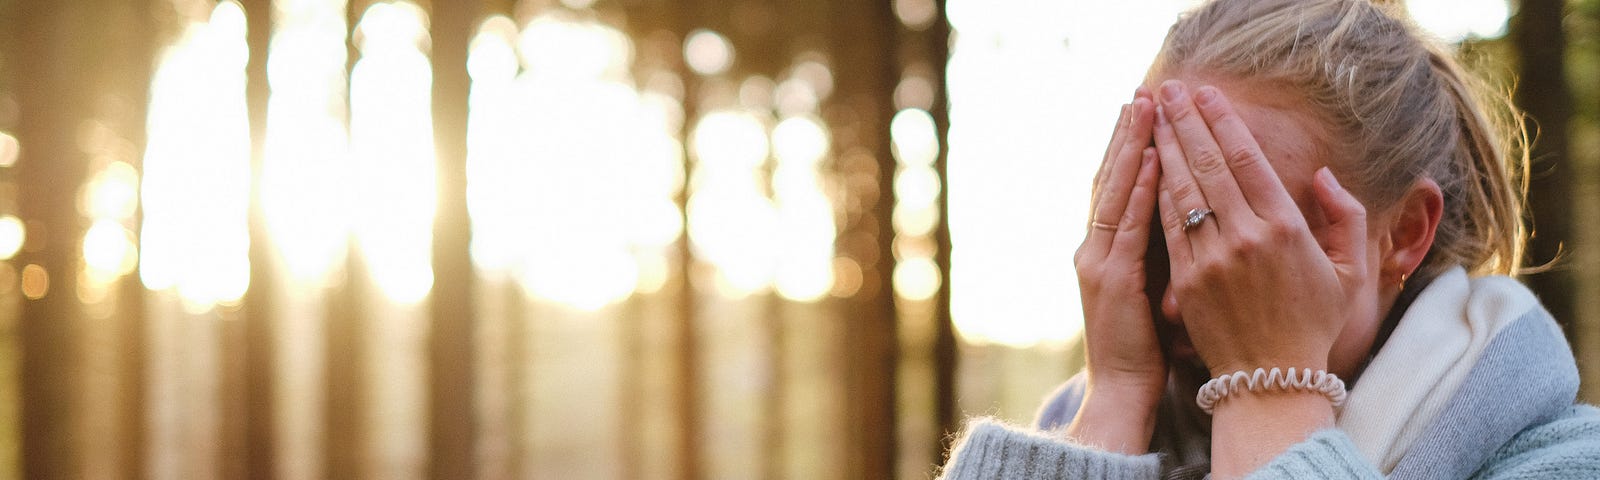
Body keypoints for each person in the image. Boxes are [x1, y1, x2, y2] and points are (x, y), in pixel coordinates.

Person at [936, 0, 1600, 478]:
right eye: (1162, 240)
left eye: (1248, 239)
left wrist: (1269, 390)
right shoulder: (1075, 430)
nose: (1182, 299)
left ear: (1404, 232)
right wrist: (1111, 404)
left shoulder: (1566, 462)